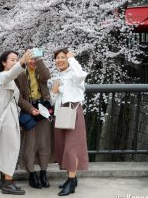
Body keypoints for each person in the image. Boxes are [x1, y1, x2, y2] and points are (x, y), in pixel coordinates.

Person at [0, 49, 31, 195]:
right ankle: (8, 182)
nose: (15, 62)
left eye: (16, 59)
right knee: (11, 147)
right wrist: (22, 62)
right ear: (3, 62)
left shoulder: (8, 78)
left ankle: (6, 180)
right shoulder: (3, 75)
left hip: (8, 116)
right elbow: (11, 74)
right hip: (7, 118)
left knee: (6, 148)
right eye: (12, 59)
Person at [50, 48, 89, 196]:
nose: (59, 60)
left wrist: (72, 59)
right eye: (57, 58)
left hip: (73, 111)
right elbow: (54, 100)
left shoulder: (74, 74)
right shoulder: (58, 76)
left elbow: (80, 75)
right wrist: (54, 92)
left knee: (71, 147)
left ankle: (71, 182)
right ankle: (71, 177)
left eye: (62, 57)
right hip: (61, 113)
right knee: (63, 146)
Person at [15, 46, 53, 189]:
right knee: (30, 144)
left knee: (44, 143)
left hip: (44, 110)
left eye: (35, 57)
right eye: (29, 57)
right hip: (29, 111)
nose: (32, 60)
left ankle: (43, 172)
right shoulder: (20, 74)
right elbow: (18, 98)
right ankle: (31, 174)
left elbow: (46, 76)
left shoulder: (40, 70)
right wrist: (30, 109)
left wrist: (39, 61)